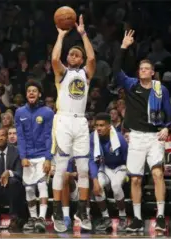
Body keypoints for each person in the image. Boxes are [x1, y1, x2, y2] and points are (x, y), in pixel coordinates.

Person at [113, 30, 171, 232]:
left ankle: (161, 217)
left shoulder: (160, 89)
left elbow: (169, 113)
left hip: (155, 137)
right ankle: (137, 219)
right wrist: (123, 47)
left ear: (153, 72)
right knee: (136, 178)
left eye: (147, 68)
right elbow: (115, 71)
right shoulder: (131, 85)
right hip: (136, 137)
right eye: (141, 68)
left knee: (157, 174)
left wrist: (166, 128)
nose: (143, 71)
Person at [51, 14, 95, 232]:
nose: (73, 56)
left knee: (84, 169)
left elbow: (93, 59)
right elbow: (53, 60)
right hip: (64, 120)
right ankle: (57, 211)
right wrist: (61, 36)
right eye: (71, 54)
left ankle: (83, 211)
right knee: (60, 168)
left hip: (81, 122)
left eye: (77, 54)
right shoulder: (63, 73)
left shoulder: (86, 73)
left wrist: (83, 34)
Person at [15, 80, 54, 232]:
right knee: (29, 189)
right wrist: (23, 156)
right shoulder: (19, 112)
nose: (31, 93)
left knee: (42, 185)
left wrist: (48, 158)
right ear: (26, 94)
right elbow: (20, 136)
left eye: (34, 91)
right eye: (29, 91)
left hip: (42, 156)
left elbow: (48, 136)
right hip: (28, 157)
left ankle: (42, 218)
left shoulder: (47, 112)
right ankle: (32, 218)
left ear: (39, 94)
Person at [89, 113, 128, 231]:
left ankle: (123, 216)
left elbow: (127, 156)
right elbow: (92, 160)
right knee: (98, 187)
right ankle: (106, 218)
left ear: (109, 126)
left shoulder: (119, 137)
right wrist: (94, 180)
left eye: (102, 125)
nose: (98, 128)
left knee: (115, 185)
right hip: (104, 166)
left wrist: (128, 174)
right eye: (96, 125)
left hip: (119, 166)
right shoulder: (92, 137)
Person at [0, 128, 26, 230]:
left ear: (7, 137)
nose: (0, 138)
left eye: (3, 135)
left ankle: (14, 219)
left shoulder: (16, 152)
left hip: (12, 188)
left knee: (13, 182)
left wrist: (9, 173)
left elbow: (20, 173)